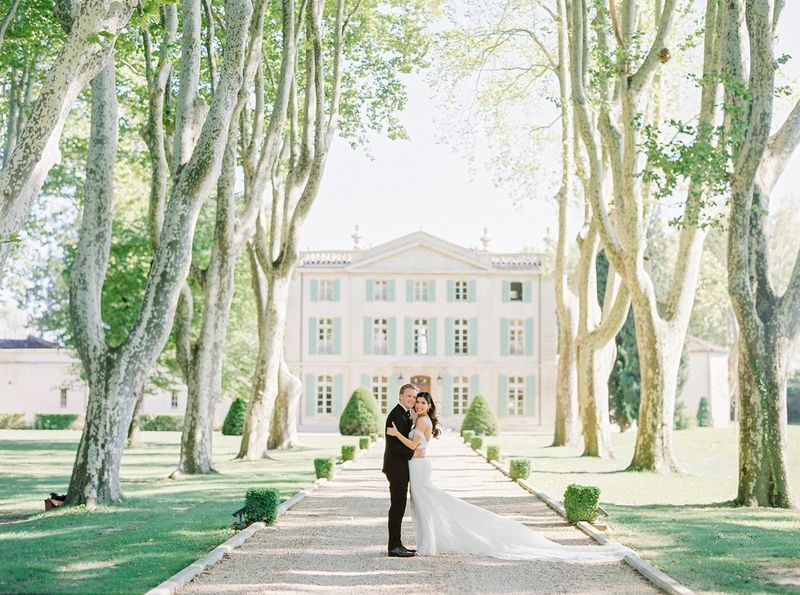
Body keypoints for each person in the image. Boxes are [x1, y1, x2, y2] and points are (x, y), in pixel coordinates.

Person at [386, 392, 631, 563]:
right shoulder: (417, 418)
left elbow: (414, 445)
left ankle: (430, 545)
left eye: (421, 403)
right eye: (416, 402)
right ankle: (429, 542)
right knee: (424, 506)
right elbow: (416, 447)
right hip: (417, 468)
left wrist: (397, 434)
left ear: (429, 407)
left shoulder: (424, 421)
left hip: (419, 467)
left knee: (431, 504)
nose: (418, 405)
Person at [382, 383, 425, 558]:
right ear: (400, 396)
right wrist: (413, 452)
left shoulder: (404, 414)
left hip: (400, 467)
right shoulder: (396, 415)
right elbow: (394, 446)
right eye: (409, 396)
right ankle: (394, 547)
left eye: (414, 397)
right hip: (396, 468)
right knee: (397, 507)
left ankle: (398, 544)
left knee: (399, 506)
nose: (412, 400)